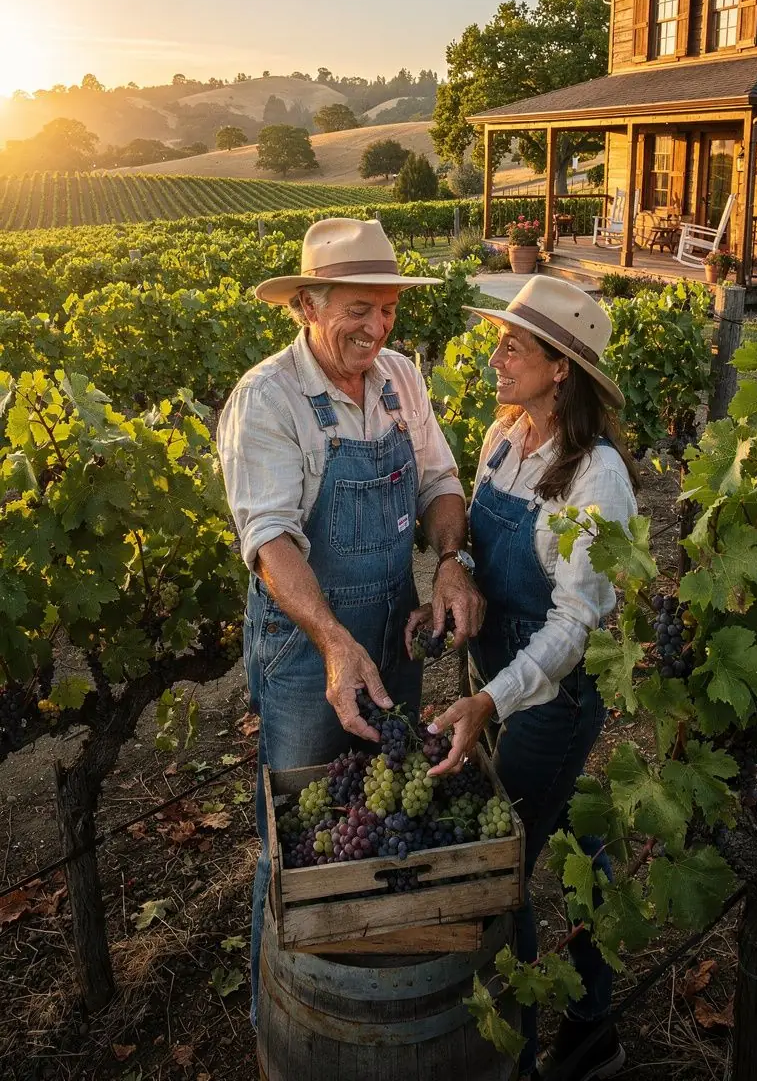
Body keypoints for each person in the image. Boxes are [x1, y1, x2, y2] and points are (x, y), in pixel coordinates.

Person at [216, 217, 483, 1022]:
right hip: (306, 654)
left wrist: (448, 559)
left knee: (374, 804)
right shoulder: (268, 399)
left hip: (391, 634)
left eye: (389, 310)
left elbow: (440, 478)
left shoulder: (402, 377)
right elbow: (267, 540)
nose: (377, 328)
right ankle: (286, 1018)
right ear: (305, 303)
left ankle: (372, 984)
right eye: (358, 309)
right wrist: (333, 643)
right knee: (295, 832)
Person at [412, 275, 638, 1081]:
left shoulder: (595, 479)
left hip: (551, 696)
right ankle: (593, 1025)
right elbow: (471, 541)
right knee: (576, 843)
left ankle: (530, 1049)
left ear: (561, 369)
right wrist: (455, 582)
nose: (497, 355)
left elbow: (575, 630)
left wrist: (488, 697)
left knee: (500, 869)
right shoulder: (504, 437)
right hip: (495, 680)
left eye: (516, 345)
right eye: (500, 339)